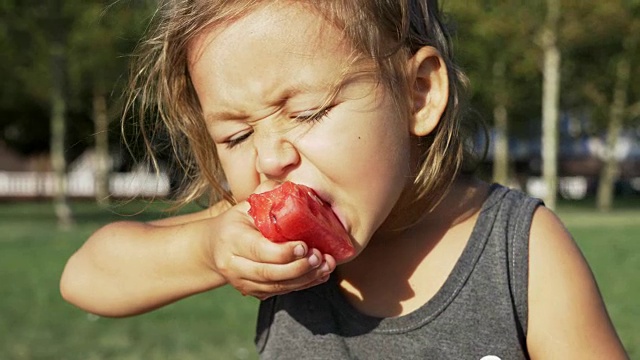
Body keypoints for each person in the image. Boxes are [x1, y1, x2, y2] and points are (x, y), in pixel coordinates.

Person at [60, 0, 628, 358]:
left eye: (305, 113)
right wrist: (208, 252)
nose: (269, 158)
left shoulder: (516, 251)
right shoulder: (247, 236)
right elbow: (87, 276)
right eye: (235, 137)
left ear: (418, 94)